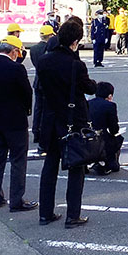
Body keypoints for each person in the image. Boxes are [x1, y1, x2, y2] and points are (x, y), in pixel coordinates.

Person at [37, 20, 98, 227]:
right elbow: (89, 88)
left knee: (50, 166)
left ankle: (45, 213)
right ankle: (73, 215)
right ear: (75, 41)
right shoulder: (75, 65)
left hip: (51, 118)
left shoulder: (44, 61)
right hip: (73, 120)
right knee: (76, 166)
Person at [0, 36, 37, 212]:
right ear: (13, 51)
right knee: (18, 160)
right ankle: (16, 200)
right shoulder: (16, 69)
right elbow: (27, 93)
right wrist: (26, 110)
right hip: (15, 120)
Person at [89, 81, 124, 174]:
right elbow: (114, 128)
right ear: (110, 95)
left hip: (87, 137)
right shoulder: (110, 106)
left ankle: (93, 162)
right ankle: (109, 162)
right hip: (102, 139)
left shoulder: (88, 103)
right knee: (118, 138)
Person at [30, 24, 54, 147]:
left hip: (37, 80)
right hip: (47, 82)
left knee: (38, 108)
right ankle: (44, 132)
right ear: (49, 36)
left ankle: (36, 131)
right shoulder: (50, 49)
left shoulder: (33, 49)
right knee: (47, 109)